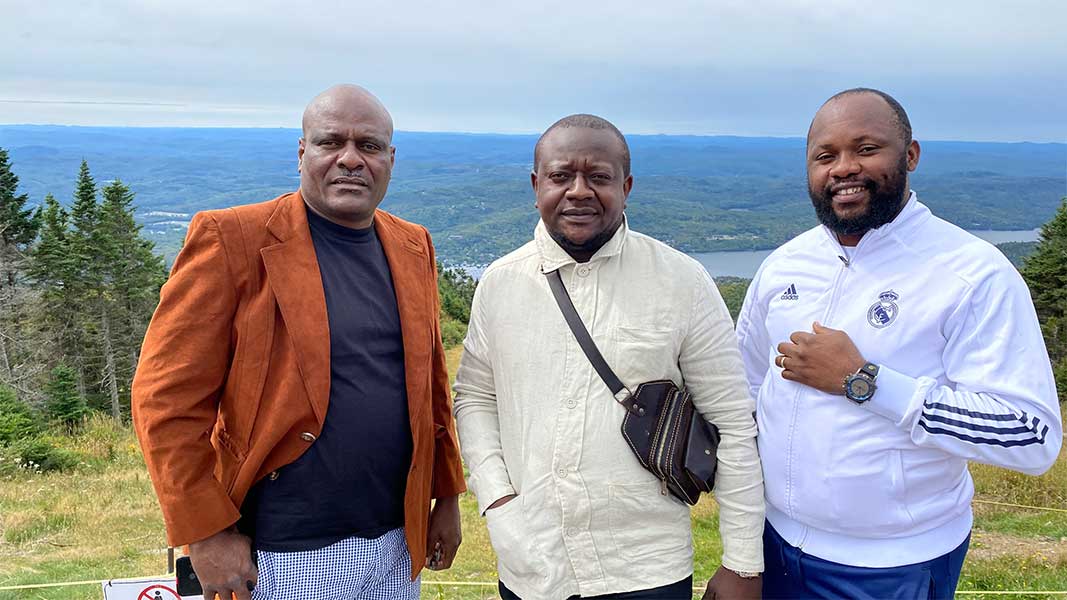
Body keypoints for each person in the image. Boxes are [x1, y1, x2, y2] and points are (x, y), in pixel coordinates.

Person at [131, 84, 465, 600]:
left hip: (398, 543)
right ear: (302, 152)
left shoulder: (412, 243)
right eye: (332, 142)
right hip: (284, 552)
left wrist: (444, 496)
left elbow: (430, 387)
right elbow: (165, 400)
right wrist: (206, 531)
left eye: (370, 146)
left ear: (391, 159)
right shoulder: (231, 240)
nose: (351, 159)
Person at [735, 88, 1062, 599]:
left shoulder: (972, 275)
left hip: (893, 565)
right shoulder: (783, 265)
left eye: (866, 149)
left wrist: (864, 382)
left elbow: (1031, 435)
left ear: (910, 155)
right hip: (772, 543)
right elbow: (747, 393)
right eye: (825, 156)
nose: (843, 168)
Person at [453, 114, 765, 600]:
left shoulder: (682, 282)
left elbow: (734, 426)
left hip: (645, 569)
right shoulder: (500, 282)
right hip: (531, 562)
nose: (579, 191)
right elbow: (474, 396)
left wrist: (743, 564)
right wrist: (497, 498)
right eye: (560, 176)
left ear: (627, 186)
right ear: (537, 186)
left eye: (598, 176)